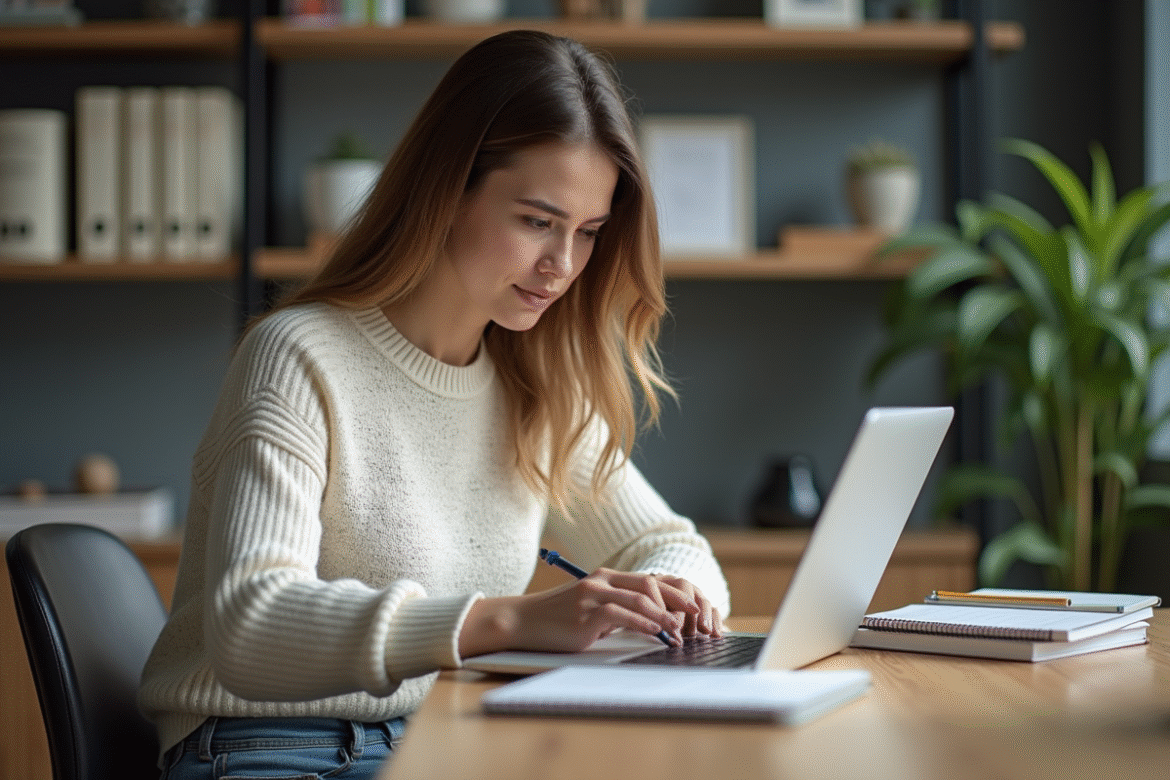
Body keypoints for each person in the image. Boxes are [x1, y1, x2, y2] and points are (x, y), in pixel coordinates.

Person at [140, 29, 731, 780]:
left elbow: (674, 545)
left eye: (587, 233)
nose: (561, 265)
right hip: (269, 745)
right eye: (536, 221)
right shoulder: (299, 356)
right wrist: (509, 620)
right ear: (446, 190)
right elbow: (251, 626)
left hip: (439, 734)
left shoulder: (535, 385)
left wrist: (675, 601)